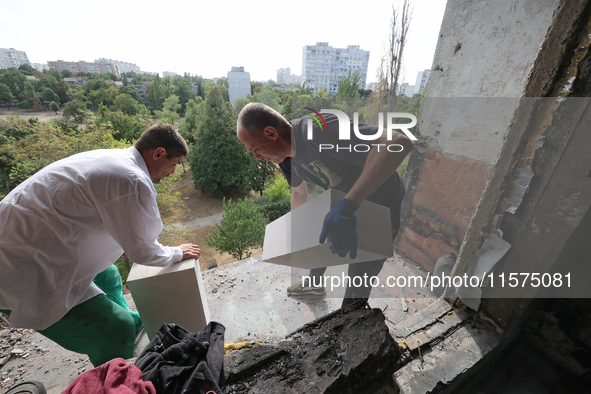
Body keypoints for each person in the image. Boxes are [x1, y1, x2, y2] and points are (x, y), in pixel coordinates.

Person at [0, 123, 201, 366]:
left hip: (30, 241)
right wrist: (176, 253)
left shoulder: (114, 160)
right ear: (158, 153)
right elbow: (141, 251)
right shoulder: (130, 179)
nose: (173, 172)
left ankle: (133, 324)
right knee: (115, 328)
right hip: (21, 268)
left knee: (109, 275)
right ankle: (113, 372)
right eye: (174, 163)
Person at [236, 103, 414, 307]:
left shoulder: (320, 131)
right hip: (345, 200)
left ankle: (351, 316)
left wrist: (346, 207)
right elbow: (298, 191)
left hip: (382, 204)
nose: (257, 157)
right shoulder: (285, 159)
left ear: (270, 133)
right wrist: (298, 230)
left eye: (255, 149)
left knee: (360, 274)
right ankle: (314, 283)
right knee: (319, 237)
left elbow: (399, 142)